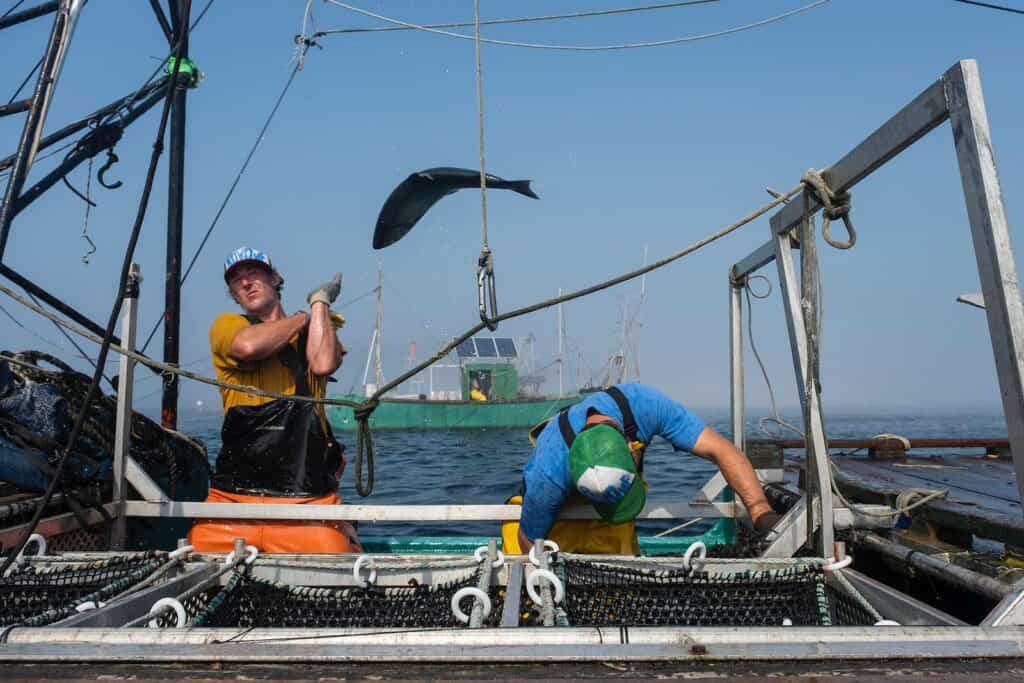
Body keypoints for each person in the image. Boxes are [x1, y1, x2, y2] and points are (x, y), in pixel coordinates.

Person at [188, 247, 360, 553]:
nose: (245, 283)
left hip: (307, 502)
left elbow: (322, 364)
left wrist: (320, 302)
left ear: (274, 279)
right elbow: (248, 347)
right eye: (236, 281)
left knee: (335, 555)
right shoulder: (227, 325)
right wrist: (301, 318)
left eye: (253, 273)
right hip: (234, 504)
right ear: (234, 295)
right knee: (196, 551)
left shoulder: (315, 334)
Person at [502, 383, 781, 555]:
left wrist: (759, 511)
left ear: (631, 447)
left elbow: (722, 450)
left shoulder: (644, 406)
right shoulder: (548, 475)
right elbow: (529, 540)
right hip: (554, 521)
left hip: (605, 520)